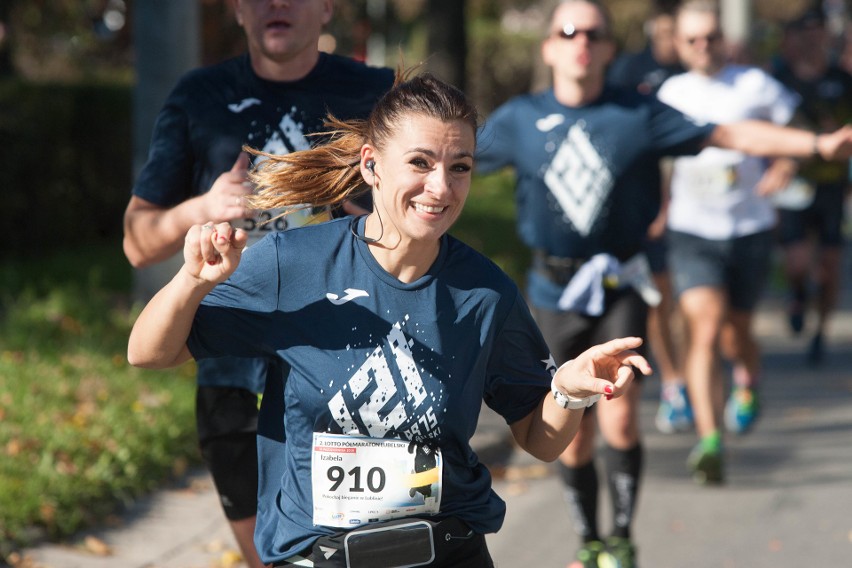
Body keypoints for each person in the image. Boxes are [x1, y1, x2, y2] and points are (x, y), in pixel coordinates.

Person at [126, 70, 652, 568]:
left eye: (459, 167)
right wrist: (192, 280)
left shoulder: (484, 293)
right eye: (420, 163)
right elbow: (148, 353)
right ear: (372, 165)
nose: (441, 188)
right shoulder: (295, 263)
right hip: (319, 554)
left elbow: (540, 439)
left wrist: (568, 390)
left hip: (449, 551)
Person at [474, 1, 852, 566]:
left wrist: (817, 147)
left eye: (594, 32)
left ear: (607, 48)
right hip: (553, 292)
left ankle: (622, 538)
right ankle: (589, 538)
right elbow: (445, 162)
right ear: (549, 46)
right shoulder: (519, 119)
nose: (581, 40)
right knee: (571, 424)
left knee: (620, 412)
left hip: (621, 283)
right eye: (568, 31)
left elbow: (733, 135)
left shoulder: (640, 113)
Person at [122, 1, 393, 565]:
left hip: (345, 337)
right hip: (233, 350)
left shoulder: (375, 93)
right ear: (238, 10)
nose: (276, 5)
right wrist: (201, 207)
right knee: (266, 554)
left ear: (326, 8)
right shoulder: (199, 95)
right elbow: (138, 240)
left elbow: (433, 194)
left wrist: (365, 213)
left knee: (355, 544)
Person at [657, 0, 805, 485]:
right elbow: (658, 157)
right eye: (693, 39)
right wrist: (656, 210)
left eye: (711, 37)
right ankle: (710, 439)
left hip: (749, 227)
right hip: (692, 229)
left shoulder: (753, 84)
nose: (703, 46)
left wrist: (785, 165)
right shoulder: (670, 92)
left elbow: (796, 127)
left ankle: (748, 381)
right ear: (678, 45)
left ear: (725, 38)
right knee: (705, 327)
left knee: (736, 331)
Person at [607, 0, 693, 435]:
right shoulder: (628, 71)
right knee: (661, 299)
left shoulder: (694, 74)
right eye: (661, 32)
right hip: (651, 206)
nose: (668, 41)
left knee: (698, 306)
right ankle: (676, 383)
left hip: (698, 207)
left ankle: (699, 373)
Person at [770, 5, 852, 366]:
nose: (815, 37)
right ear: (796, 37)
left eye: (820, 30)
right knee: (798, 262)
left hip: (832, 186)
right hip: (794, 185)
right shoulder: (781, 79)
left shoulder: (843, 79)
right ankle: (798, 295)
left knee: (830, 265)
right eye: (807, 30)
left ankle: (820, 331)